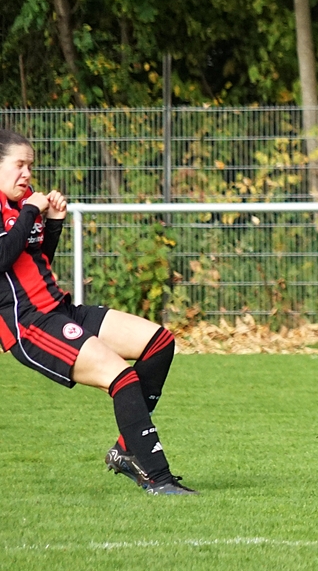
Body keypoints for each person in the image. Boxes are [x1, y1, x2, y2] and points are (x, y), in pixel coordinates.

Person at [0, 129, 195, 495]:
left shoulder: (24, 202)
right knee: (121, 376)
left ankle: (126, 450)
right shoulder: (20, 206)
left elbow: (36, 261)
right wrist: (31, 212)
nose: (27, 173)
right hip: (30, 325)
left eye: (31, 166)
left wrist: (53, 223)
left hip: (60, 309)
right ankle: (159, 479)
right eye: (19, 165)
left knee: (159, 342)